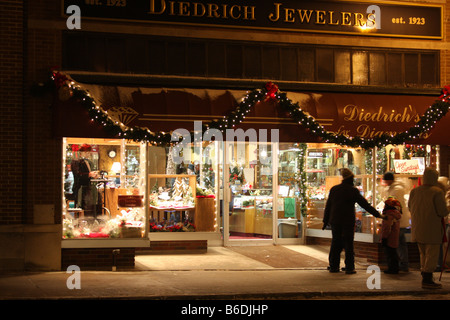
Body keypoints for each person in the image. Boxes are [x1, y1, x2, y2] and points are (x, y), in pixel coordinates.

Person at [323, 168, 381, 274]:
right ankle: (349, 267)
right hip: (348, 220)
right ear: (351, 179)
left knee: (336, 242)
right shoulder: (353, 190)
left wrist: (325, 220)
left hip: (335, 220)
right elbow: (365, 205)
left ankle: (333, 266)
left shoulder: (335, 189)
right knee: (348, 243)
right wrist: (378, 215)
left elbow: (328, 206)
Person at [408, 167, 448, 289]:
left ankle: (425, 275)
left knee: (423, 253)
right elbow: (442, 211)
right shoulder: (437, 192)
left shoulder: (415, 191)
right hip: (432, 228)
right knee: (432, 254)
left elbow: (410, 207)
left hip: (418, 227)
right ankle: (427, 278)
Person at [382, 172, 411, 272]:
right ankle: (403, 264)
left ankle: (399, 265)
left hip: (398, 221)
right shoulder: (393, 188)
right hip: (399, 220)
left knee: (396, 243)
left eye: (385, 180)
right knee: (400, 243)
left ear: (389, 180)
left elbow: (393, 205)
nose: (384, 182)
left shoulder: (396, 189)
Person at [380, 197, 402, 274]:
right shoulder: (396, 214)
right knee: (393, 253)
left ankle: (392, 269)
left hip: (389, 237)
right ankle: (395, 268)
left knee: (390, 254)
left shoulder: (388, 215)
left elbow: (387, 227)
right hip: (394, 237)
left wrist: (384, 237)